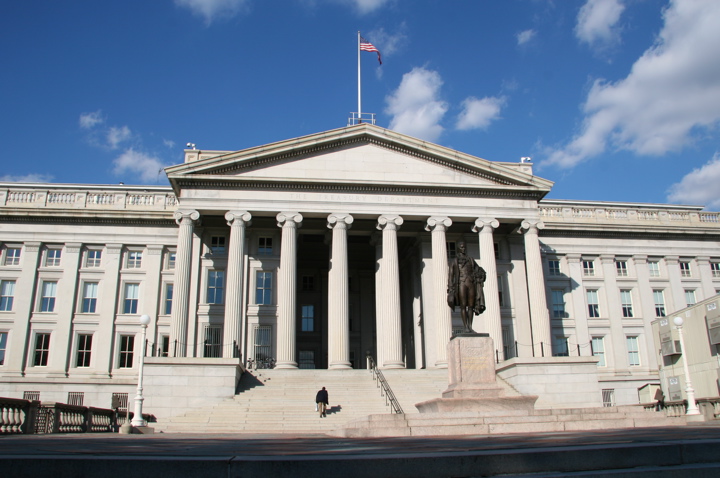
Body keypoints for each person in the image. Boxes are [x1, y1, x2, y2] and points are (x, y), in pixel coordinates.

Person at [447, 240, 486, 333]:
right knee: (463, 305)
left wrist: (482, 274)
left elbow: (478, 269)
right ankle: (465, 327)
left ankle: (470, 326)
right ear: (458, 248)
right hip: (461, 283)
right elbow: (450, 276)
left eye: (464, 247)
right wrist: (451, 290)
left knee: (471, 306)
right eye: (461, 247)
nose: (463, 248)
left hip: (471, 283)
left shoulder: (471, 260)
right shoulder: (454, 261)